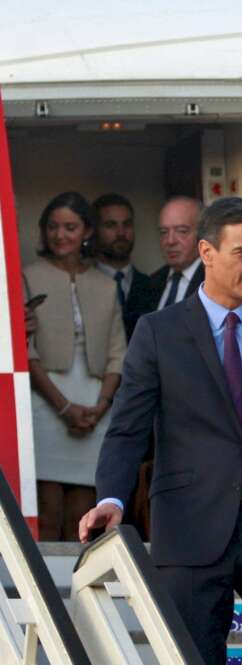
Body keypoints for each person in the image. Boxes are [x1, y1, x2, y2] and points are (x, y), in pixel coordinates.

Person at [79, 197, 242, 665]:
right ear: (207, 253)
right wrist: (111, 499)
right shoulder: (158, 332)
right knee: (193, 657)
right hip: (188, 520)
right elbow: (127, 429)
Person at [24, 192, 126, 541]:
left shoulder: (106, 284)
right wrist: (63, 407)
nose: (59, 235)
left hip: (95, 405)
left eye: (70, 227)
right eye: (52, 227)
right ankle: (47, 596)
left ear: (86, 231)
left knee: (84, 516)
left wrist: (101, 407)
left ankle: (82, 593)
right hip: (46, 403)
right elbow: (26, 351)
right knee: (48, 514)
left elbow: (118, 353)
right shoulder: (28, 276)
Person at [92, 193, 157, 340]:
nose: (121, 233)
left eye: (126, 224)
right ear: (94, 231)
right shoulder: (83, 283)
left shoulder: (152, 286)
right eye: (110, 225)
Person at [150, 196, 204, 309]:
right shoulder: (151, 282)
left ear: (202, 233)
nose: (170, 241)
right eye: (164, 232)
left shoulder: (216, 281)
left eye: (181, 231)